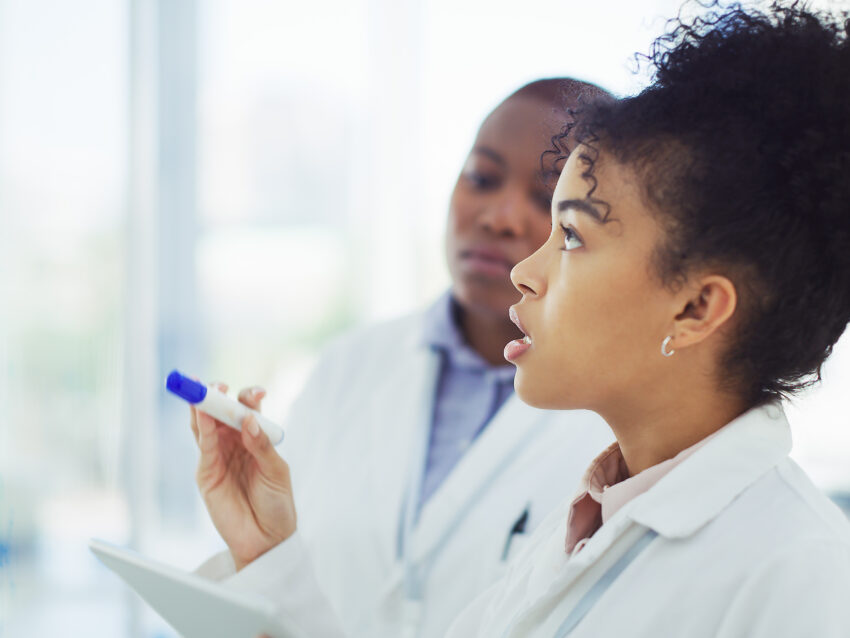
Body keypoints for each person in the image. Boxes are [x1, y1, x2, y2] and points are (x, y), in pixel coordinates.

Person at [194, 2, 850, 635]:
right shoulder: (591, 522)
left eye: (569, 235)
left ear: (696, 307)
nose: (524, 270)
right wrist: (269, 557)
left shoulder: (803, 577)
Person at [191, 78, 614, 638]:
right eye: (482, 178)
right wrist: (262, 557)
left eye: (547, 197)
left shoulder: (612, 418)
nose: (500, 216)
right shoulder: (348, 367)